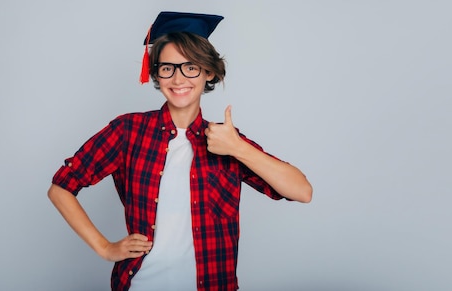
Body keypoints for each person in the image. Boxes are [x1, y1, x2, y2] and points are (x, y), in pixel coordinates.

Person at [47, 11, 312, 291]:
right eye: (167, 68)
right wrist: (104, 248)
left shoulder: (227, 140)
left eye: (191, 67)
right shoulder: (128, 131)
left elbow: (301, 191)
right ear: (156, 74)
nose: (178, 78)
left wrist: (238, 148)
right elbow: (61, 188)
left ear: (208, 71)